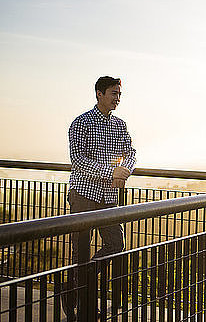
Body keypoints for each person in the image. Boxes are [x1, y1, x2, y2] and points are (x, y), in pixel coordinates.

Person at [62, 76, 136, 318]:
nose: (118, 98)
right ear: (99, 94)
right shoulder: (80, 123)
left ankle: (71, 288)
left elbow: (131, 152)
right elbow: (79, 160)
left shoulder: (120, 125)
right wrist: (110, 171)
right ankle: (85, 307)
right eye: (114, 93)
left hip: (108, 196)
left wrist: (124, 172)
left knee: (116, 244)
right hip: (83, 195)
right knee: (81, 251)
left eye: (119, 94)